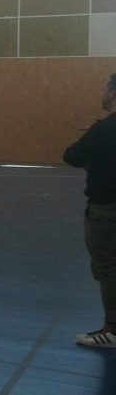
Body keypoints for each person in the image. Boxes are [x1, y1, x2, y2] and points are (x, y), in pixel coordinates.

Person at [64, 73, 116, 348]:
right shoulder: (103, 129)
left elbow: (71, 156)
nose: (102, 93)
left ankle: (113, 330)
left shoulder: (103, 130)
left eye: (105, 88)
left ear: (114, 92)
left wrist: (96, 139)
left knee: (108, 267)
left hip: (107, 210)